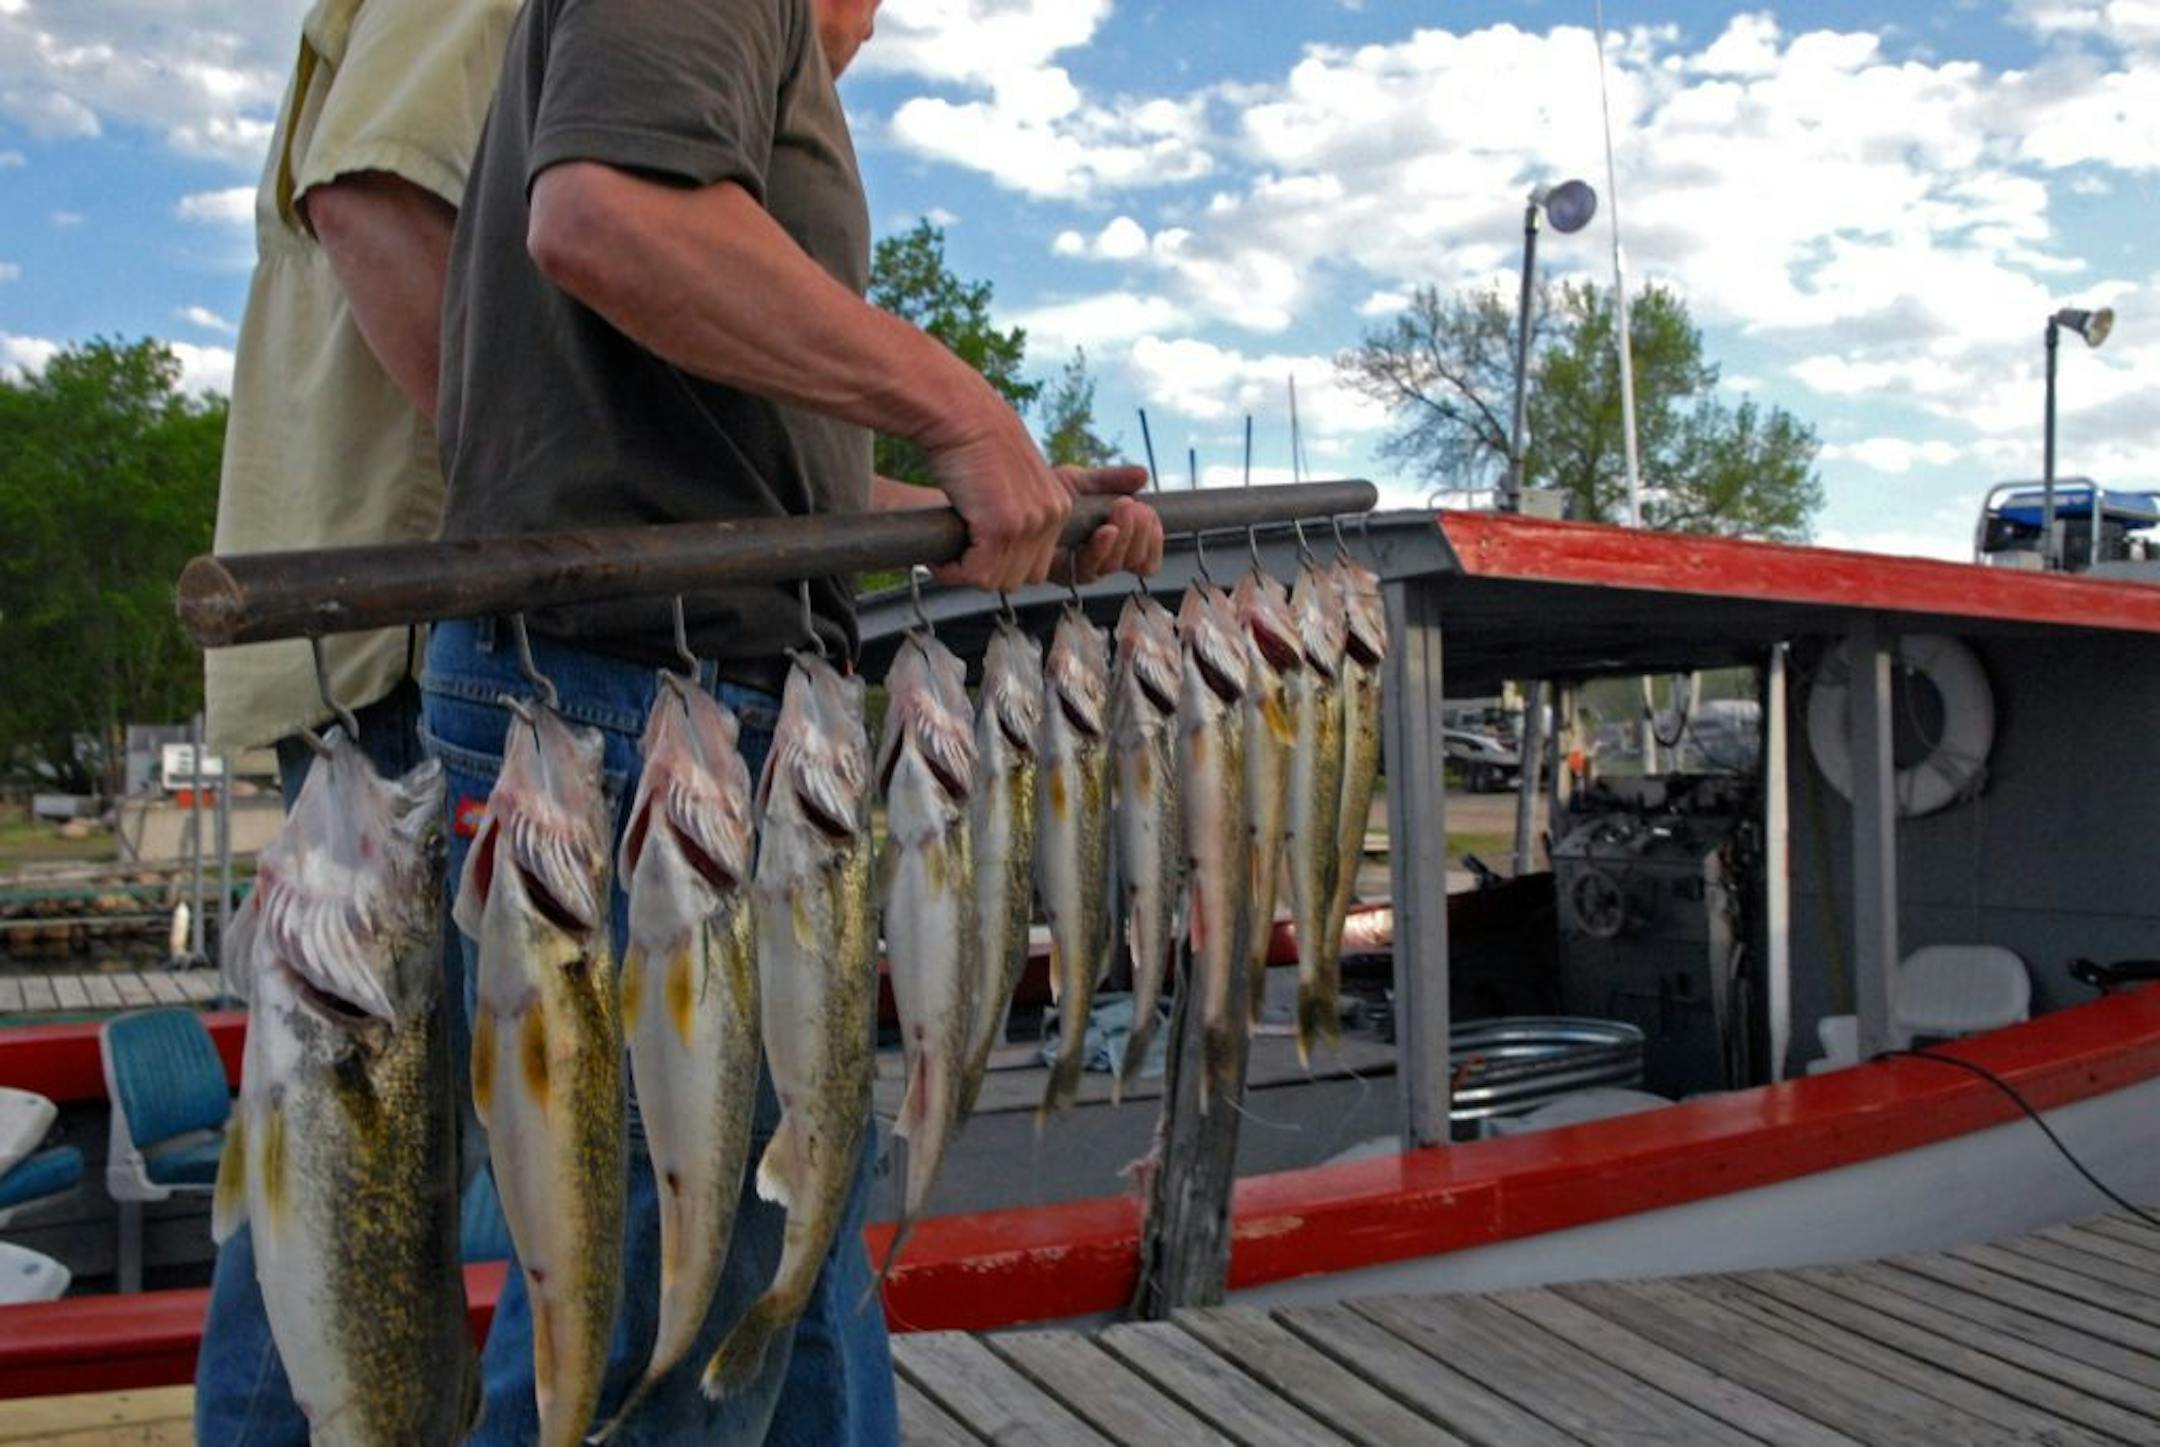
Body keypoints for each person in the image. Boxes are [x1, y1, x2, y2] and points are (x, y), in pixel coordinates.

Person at [430, 0, 1164, 1440]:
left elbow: (722, 469)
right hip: (624, 709)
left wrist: (979, 517)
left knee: (777, 1261)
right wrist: (957, 407)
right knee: (644, 1330)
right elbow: (605, 215)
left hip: (701, 704)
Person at [194, 0, 518, 1439]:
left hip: (375, 641)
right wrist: (550, 493)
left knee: (338, 1184)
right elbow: (371, 194)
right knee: (352, 1199)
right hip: (398, 646)